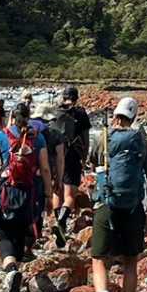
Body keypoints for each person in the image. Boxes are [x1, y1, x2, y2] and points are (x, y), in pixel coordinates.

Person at [0, 101, 51, 292]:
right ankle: (16, 270)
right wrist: (48, 193)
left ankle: (10, 269)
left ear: (12, 116)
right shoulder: (38, 138)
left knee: (4, 233)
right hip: (30, 193)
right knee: (22, 232)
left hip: (7, 192)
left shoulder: (1, 135)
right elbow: (45, 168)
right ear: (28, 118)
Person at [90, 96, 147, 292]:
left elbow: (93, 164)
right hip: (133, 207)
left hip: (105, 203)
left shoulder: (103, 137)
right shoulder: (144, 141)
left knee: (98, 258)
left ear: (115, 115)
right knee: (130, 261)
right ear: (134, 117)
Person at [50, 87, 91, 245]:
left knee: (57, 191)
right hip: (73, 155)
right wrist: (84, 156)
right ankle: (62, 220)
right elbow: (85, 138)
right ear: (76, 98)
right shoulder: (80, 113)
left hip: (56, 155)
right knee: (70, 195)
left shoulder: (55, 112)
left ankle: (57, 221)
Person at [29, 99, 69, 248]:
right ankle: (37, 234)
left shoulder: (26, 130)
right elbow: (60, 159)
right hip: (44, 172)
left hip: (26, 170)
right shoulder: (55, 134)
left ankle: (28, 236)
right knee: (40, 202)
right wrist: (58, 179)